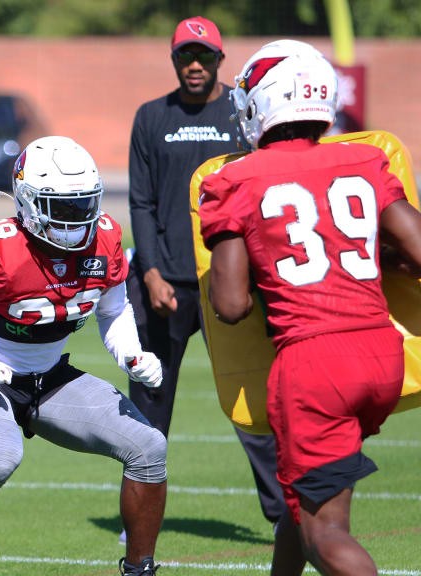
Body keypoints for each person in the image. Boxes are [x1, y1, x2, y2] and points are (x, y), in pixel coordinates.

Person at [201, 40, 421, 576]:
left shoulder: (235, 179)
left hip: (315, 365)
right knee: (300, 506)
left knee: (326, 535)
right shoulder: (365, 158)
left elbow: (229, 305)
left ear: (259, 105)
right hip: (382, 353)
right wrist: (376, 257)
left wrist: (258, 263)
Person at [0, 136, 168, 576]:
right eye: (61, 207)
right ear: (29, 203)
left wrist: (131, 353)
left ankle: (139, 570)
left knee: (148, 447)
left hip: (48, 375)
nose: (75, 219)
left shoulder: (105, 240)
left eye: (82, 205)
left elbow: (115, 309)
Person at [125, 15, 284, 539]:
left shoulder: (243, 115)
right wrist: (148, 272)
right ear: (174, 61)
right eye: (185, 57)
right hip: (163, 283)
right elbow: (142, 203)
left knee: (251, 398)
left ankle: (283, 514)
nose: (195, 65)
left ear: (221, 59)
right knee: (150, 405)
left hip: (229, 282)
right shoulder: (151, 116)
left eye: (205, 57)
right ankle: (139, 518)